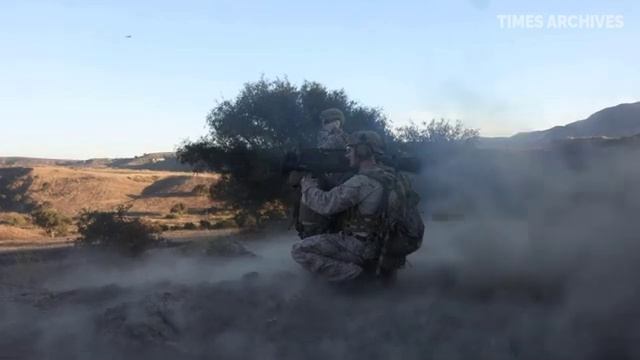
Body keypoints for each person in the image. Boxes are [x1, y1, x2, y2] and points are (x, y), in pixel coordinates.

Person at [291, 130, 404, 282]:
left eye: (350, 150)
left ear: (362, 151)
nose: (347, 155)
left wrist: (308, 186)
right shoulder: (393, 178)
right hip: (385, 245)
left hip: (360, 247)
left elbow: (325, 204)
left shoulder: (362, 181)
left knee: (299, 250)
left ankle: (355, 275)